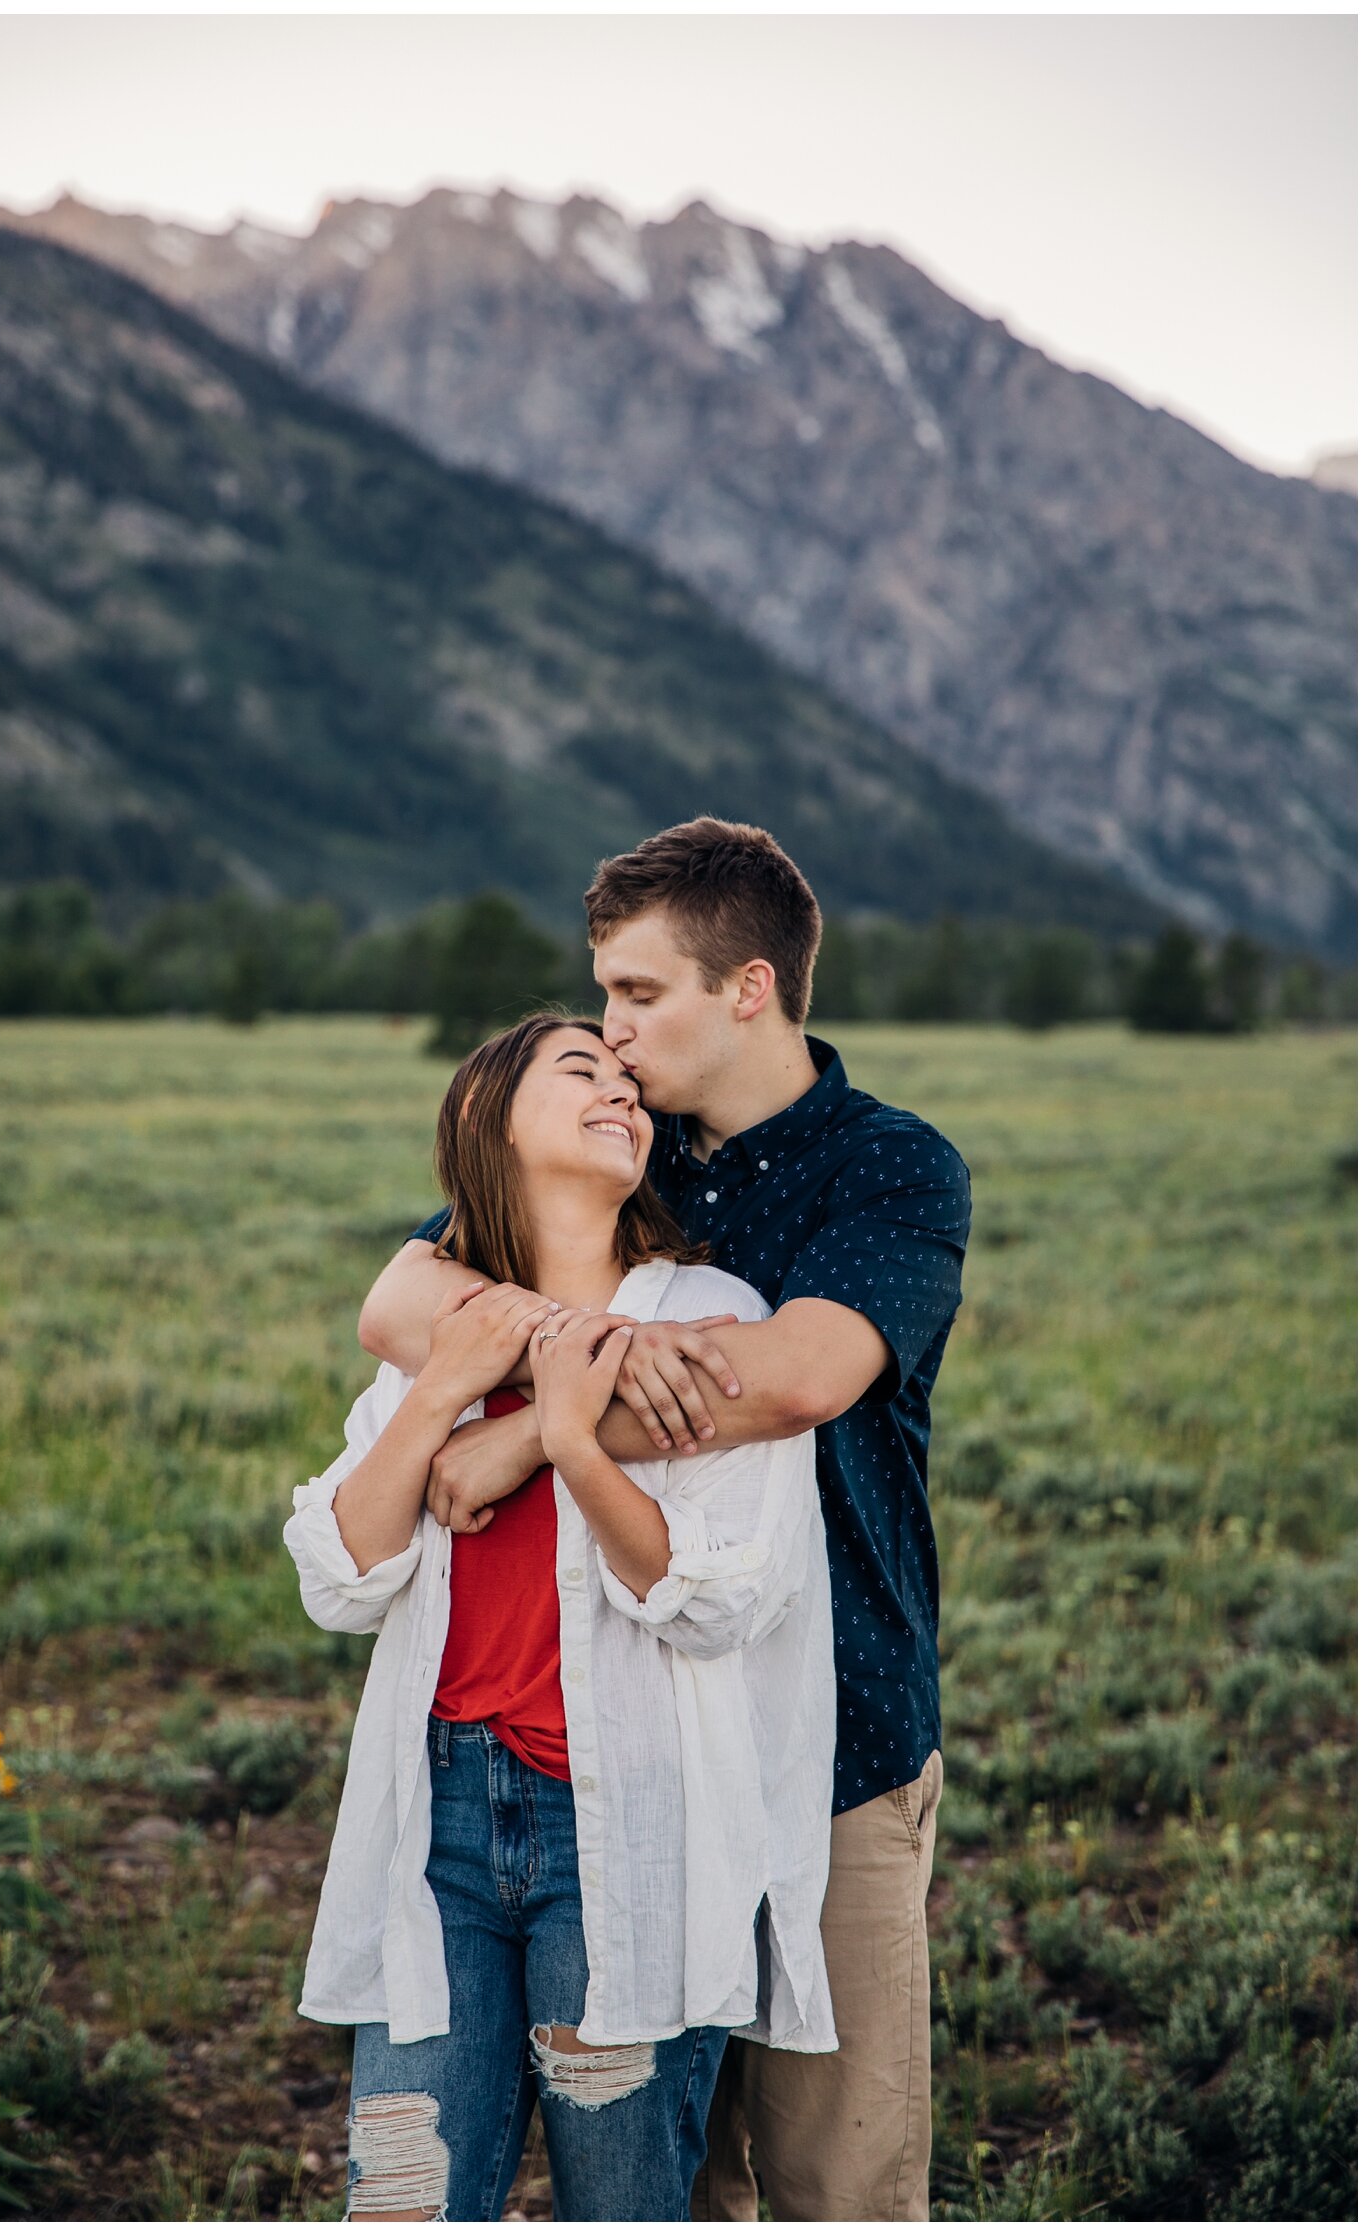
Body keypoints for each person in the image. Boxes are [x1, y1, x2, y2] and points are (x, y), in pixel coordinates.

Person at [362, 818, 972, 2222]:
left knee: (839, 2177)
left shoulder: (887, 1166)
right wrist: (609, 1362)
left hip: (840, 1741)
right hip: (632, 1758)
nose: (612, 1033)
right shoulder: (631, 1153)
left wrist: (530, 1425)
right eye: (604, 1000)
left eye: (637, 995)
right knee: (662, 2175)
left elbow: (805, 1375)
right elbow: (398, 1302)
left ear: (747, 987)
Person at [285, 1011, 836, 2224]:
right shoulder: (446, 1327)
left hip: (628, 1828)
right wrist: (441, 1392)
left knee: (624, 2202)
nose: (621, 1092)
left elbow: (723, 1596)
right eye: (578, 1069)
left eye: (629, 1083)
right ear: (488, 1118)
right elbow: (342, 1572)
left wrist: (571, 1444)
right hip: (439, 1829)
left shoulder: (711, 1312)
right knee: (406, 2197)